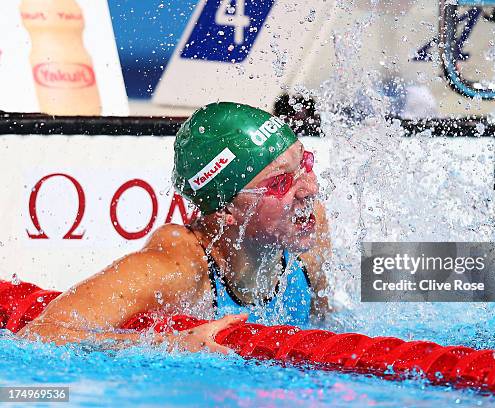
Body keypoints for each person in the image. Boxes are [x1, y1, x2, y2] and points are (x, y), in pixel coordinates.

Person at [19, 102, 332, 353]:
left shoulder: (310, 230)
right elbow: (40, 334)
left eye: (304, 165)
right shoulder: (174, 269)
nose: (308, 189)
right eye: (280, 183)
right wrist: (166, 344)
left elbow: (347, 318)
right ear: (224, 209)